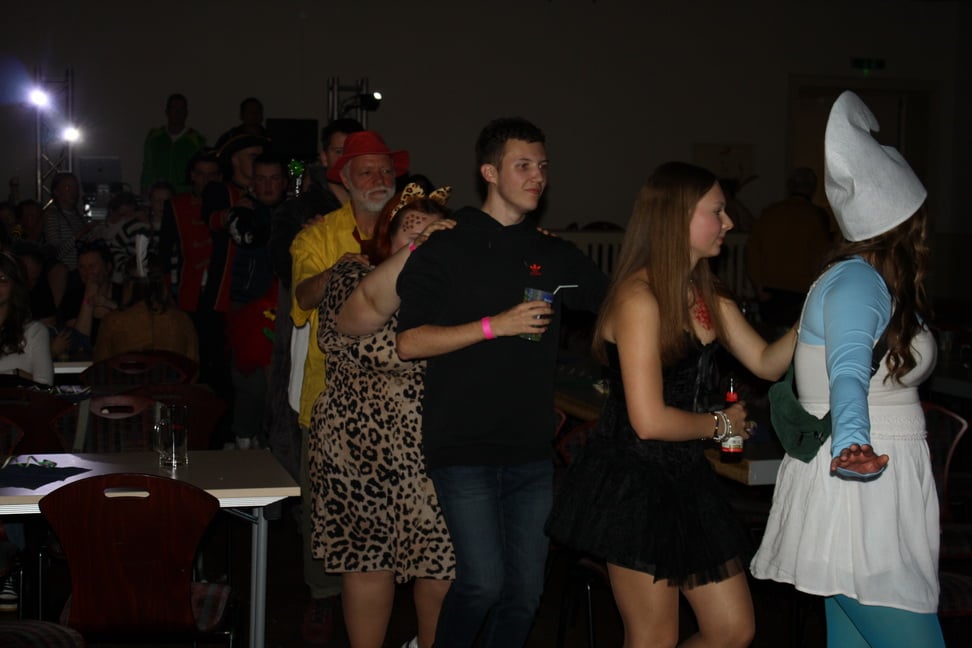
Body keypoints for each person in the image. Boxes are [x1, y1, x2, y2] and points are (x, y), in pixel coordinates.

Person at [544, 161, 796, 647]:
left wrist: (814, 315)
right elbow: (648, 421)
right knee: (654, 637)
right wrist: (721, 423)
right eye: (717, 211)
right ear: (678, 217)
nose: (729, 222)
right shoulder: (639, 299)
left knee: (732, 630)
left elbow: (766, 363)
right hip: (633, 480)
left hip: (685, 478)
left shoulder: (705, 292)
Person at [395, 117, 608, 647]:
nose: (537, 176)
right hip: (463, 446)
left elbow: (619, 300)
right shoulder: (446, 246)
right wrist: (495, 326)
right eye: (523, 165)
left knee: (524, 594)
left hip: (529, 451)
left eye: (542, 166)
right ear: (489, 172)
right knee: (482, 584)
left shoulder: (552, 253)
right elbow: (410, 342)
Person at [750, 91, 945, 647]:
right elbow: (847, 373)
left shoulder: (872, 282)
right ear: (908, 222)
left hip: (871, 487)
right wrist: (855, 442)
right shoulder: (858, 281)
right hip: (861, 491)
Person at [311, 183, 456, 648]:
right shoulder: (352, 273)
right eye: (413, 231)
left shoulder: (454, 293)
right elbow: (371, 345)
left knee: (441, 562)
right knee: (367, 562)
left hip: (431, 445)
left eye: (435, 233)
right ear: (387, 238)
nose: (425, 242)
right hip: (356, 445)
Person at [289, 129, 408, 644]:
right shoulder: (317, 236)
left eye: (386, 170)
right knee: (326, 510)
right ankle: (322, 596)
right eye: (367, 171)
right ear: (345, 178)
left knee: (391, 514)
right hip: (333, 400)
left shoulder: (411, 229)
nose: (379, 179)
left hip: (404, 402)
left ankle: (384, 604)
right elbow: (302, 297)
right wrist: (336, 271)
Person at [746, 167, 833, 328]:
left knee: (770, 334)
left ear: (790, 186)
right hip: (803, 291)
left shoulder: (770, 213)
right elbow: (822, 255)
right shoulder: (817, 217)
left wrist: (757, 285)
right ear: (813, 189)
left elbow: (752, 252)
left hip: (770, 289)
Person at [93, 252, 198, 363]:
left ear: (128, 285)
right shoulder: (182, 321)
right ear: (162, 284)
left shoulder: (112, 322)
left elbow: (101, 365)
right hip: (172, 375)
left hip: (125, 375)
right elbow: (193, 366)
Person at [0, 252, 53, 385]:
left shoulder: (33, 331)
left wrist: (13, 375)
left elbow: (45, 386)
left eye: (2, 279)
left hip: (16, 398)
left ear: (14, 285)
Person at [140, 93, 207, 195]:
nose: (177, 112)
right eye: (174, 108)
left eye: (181, 108)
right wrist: (144, 191)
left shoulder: (197, 140)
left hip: (185, 195)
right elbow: (147, 169)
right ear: (167, 112)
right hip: (158, 195)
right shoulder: (154, 137)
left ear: (186, 112)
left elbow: (200, 173)